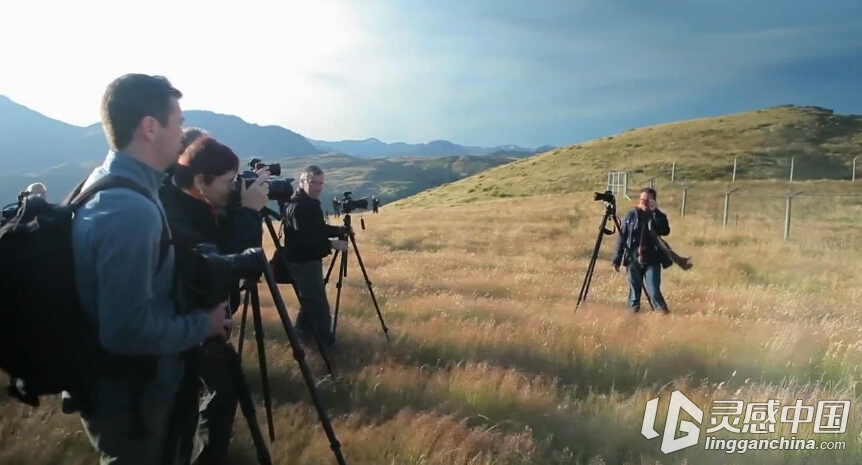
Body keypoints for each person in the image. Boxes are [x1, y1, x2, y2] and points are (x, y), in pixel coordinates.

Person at [65, 73, 230, 465]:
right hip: (136, 402)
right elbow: (125, 330)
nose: (183, 134)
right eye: (180, 122)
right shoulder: (130, 209)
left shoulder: (109, 183)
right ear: (151, 127)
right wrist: (203, 326)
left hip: (128, 394)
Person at [160, 135, 270, 465]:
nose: (234, 188)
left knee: (223, 395)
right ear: (200, 182)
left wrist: (238, 210)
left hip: (206, 329)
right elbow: (222, 267)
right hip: (182, 332)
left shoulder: (200, 206)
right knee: (179, 417)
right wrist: (249, 213)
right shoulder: (173, 216)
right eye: (229, 182)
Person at [282, 165, 347, 347]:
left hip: (307, 260)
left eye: (321, 183)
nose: (318, 187)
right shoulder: (298, 206)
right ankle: (327, 347)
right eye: (313, 182)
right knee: (319, 306)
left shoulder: (306, 203)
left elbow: (316, 230)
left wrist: (337, 230)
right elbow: (305, 238)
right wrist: (331, 243)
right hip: (303, 262)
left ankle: (301, 336)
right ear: (302, 182)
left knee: (310, 301)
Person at [611, 187, 672, 313]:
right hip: (633, 260)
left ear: (653, 201)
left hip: (652, 260)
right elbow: (622, 238)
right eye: (642, 199)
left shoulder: (658, 216)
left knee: (654, 291)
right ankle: (633, 321)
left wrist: (655, 212)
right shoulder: (631, 216)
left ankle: (664, 316)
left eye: (647, 200)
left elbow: (665, 230)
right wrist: (617, 259)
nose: (644, 202)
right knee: (634, 295)